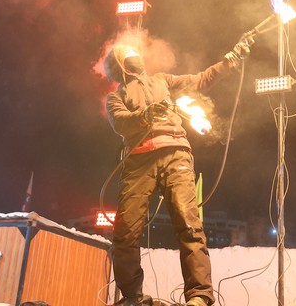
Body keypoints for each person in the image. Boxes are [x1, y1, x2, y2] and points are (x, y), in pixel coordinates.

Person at [102, 38, 251, 306]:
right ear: (120, 67)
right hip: (138, 162)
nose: (136, 57)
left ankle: (199, 296)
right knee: (125, 232)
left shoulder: (162, 81)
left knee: (188, 224)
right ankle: (133, 297)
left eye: (136, 54)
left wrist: (229, 61)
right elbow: (121, 123)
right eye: (129, 56)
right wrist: (145, 115)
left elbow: (200, 80)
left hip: (175, 154)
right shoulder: (116, 97)